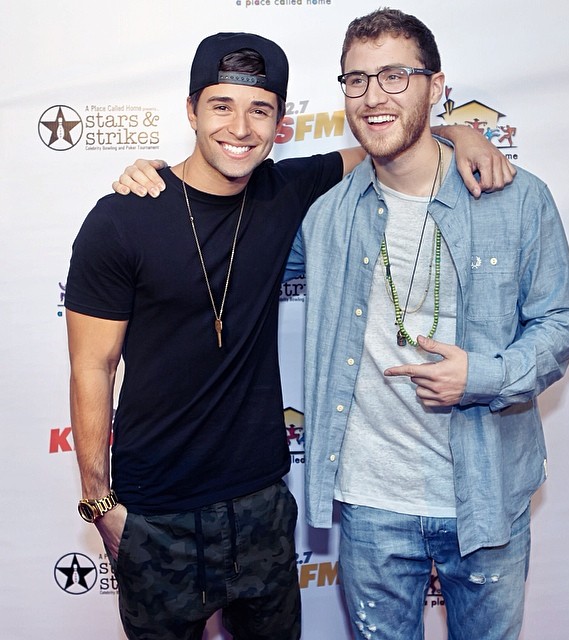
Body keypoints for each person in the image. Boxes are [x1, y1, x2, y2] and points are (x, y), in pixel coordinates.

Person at [67, 30, 511, 640]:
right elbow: (92, 367)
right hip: (154, 512)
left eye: (260, 110)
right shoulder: (121, 218)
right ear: (191, 109)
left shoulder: (287, 192)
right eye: (221, 105)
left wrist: (461, 131)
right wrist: (100, 502)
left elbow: (393, 147)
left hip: (262, 508)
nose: (240, 127)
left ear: (280, 123)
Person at [284, 8, 569, 640]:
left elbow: (562, 322)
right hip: (370, 502)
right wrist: (155, 177)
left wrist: (482, 375)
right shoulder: (324, 216)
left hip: (486, 497)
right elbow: (226, 208)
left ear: (436, 83)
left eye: (396, 76)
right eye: (357, 80)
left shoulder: (517, 198)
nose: (374, 97)